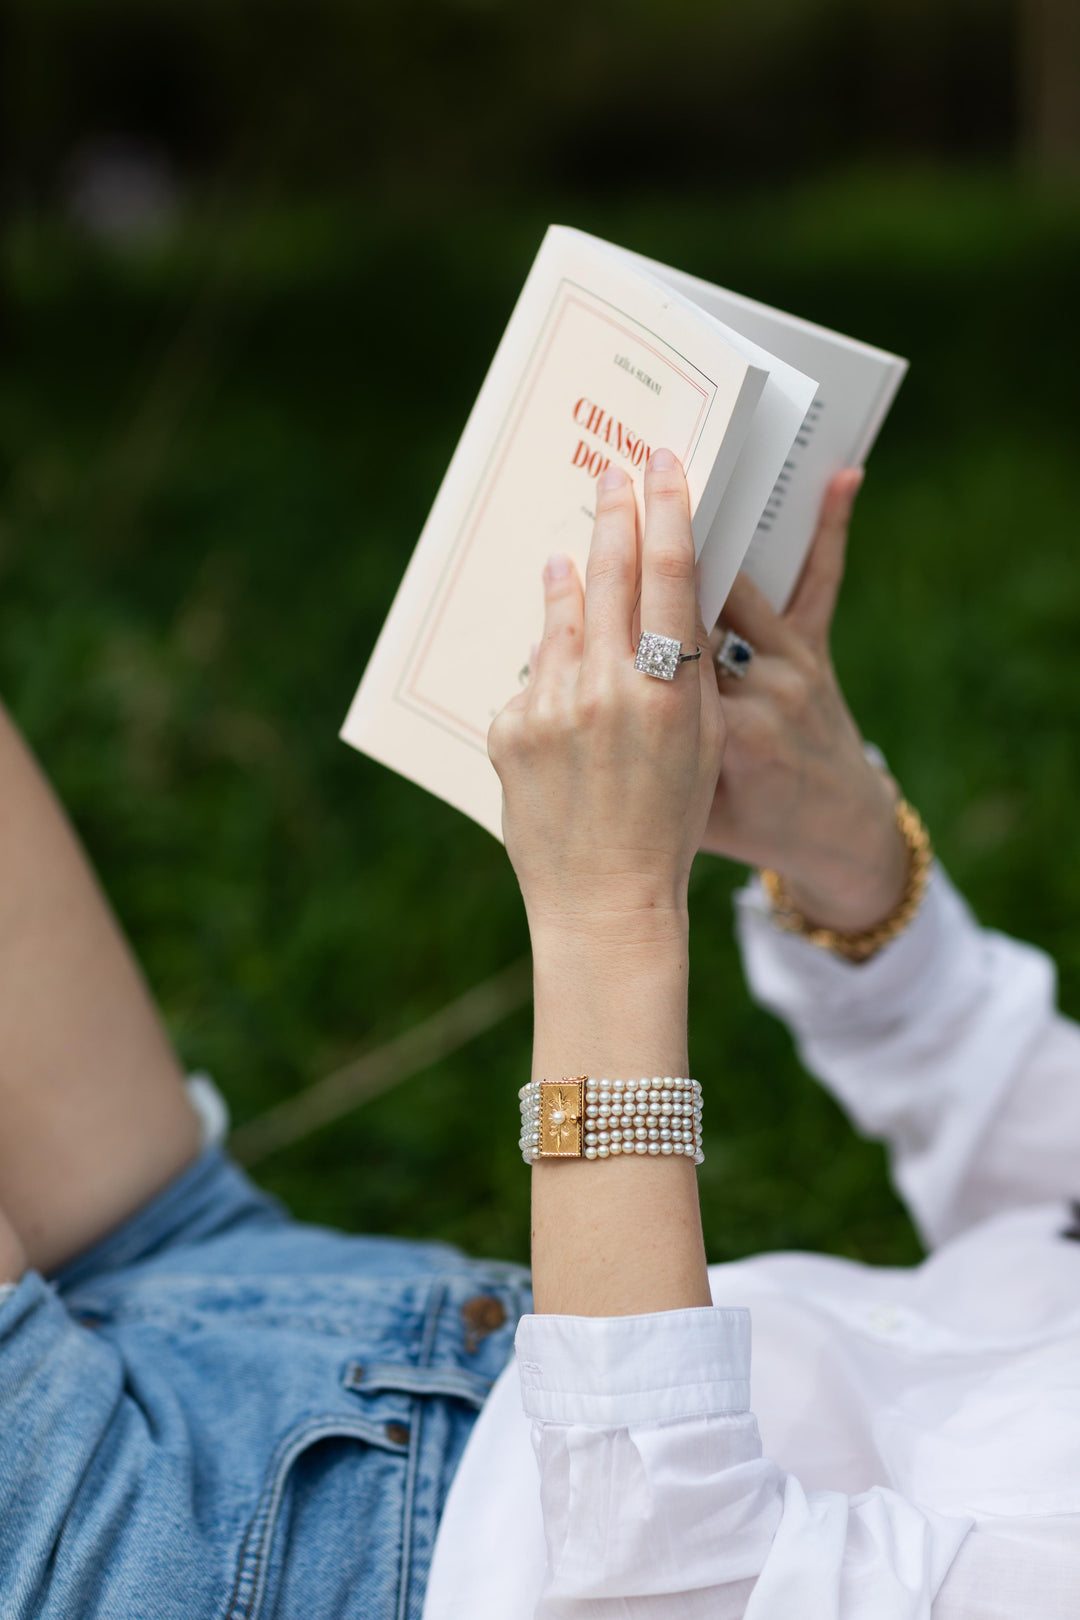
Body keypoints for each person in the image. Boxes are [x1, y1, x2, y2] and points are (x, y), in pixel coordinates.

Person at [0, 452, 1077, 1619]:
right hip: (340, 1307)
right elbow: (1043, 1185)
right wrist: (852, 853)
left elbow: (673, 1583)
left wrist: (608, 911)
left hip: (274, 1569)